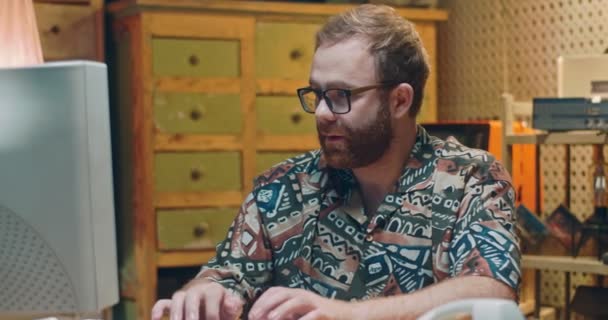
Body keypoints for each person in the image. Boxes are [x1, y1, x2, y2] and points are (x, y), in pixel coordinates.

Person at [152, 4, 521, 320]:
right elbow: (227, 275)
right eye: (317, 94)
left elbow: (490, 291)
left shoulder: (472, 177)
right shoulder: (282, 188)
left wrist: (343, 313)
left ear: (400, 101)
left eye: (341, 95)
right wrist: (204, 291)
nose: (323, 113)